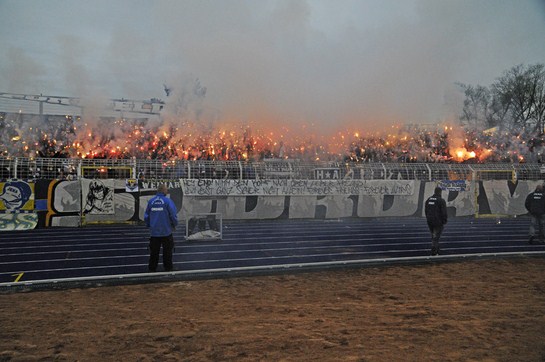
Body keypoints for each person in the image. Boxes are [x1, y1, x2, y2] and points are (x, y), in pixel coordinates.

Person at [144, 184, 178, 272]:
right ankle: (168, 268)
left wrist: (148, 225)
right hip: (166, 231)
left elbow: (146, 216)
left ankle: (152, 269)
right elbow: (173, 215)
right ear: (163, 190)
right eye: (166, 189)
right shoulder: (168, 201)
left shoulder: (151, 201)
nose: (167, 191)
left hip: (154, 232)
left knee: (154, 253)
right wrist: (174, 224)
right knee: (167, 252)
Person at [425, 186, 448, 256]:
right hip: (438, 222)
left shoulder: (428, 199)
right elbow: (444, 212)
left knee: (433, 236)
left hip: (430, 221)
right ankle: (434, 251)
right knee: (436, 237)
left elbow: (426, 210)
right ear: (440, 192)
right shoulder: (441, 200)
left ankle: (437, 250)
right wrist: (444, 221)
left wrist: (428, 218)